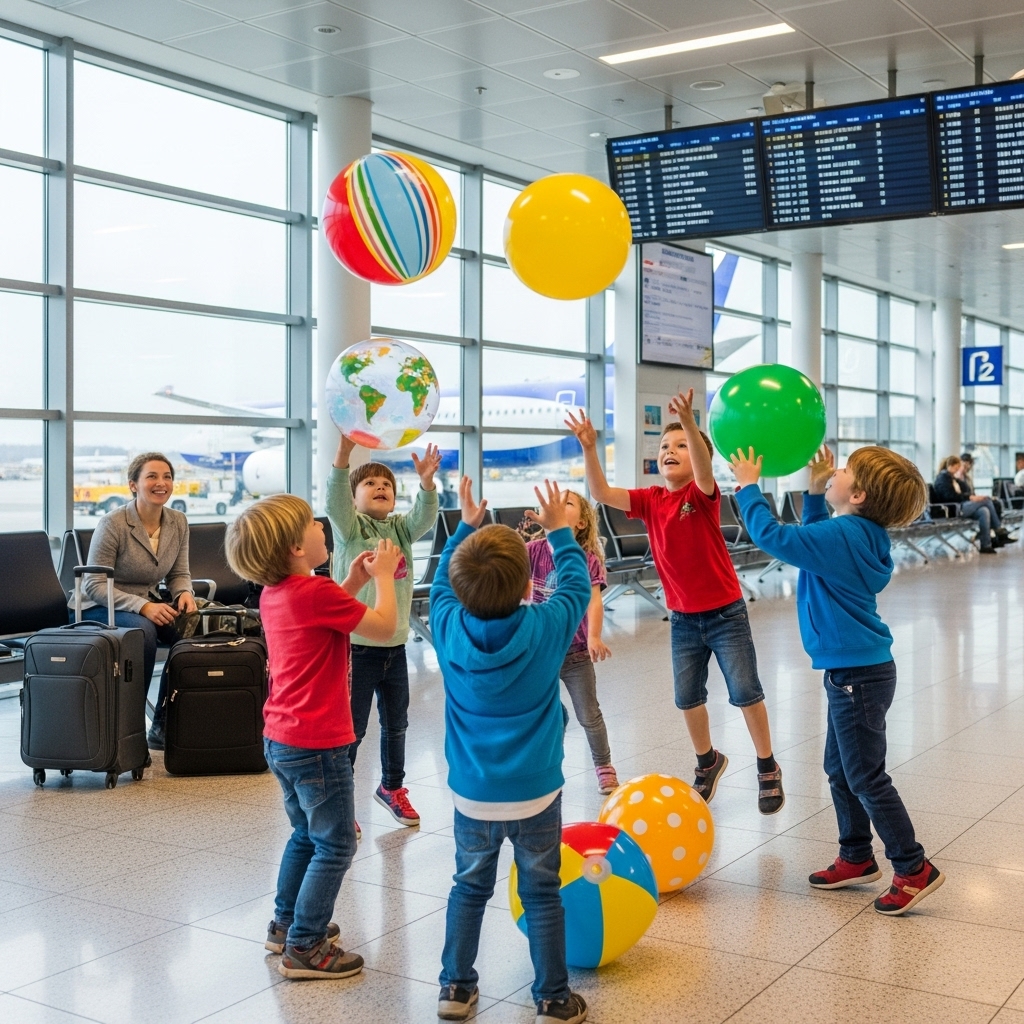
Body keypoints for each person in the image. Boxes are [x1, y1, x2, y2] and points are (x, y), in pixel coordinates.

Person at [731, 443, 945, 915]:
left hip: (857, 678)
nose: (835, 470)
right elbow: (814, 546)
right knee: (841, 769)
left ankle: (913, 868)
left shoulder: (844, 534)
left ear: (860, 495)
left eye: (844, 470)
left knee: (866, 775)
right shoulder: (857, 533)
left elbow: (777, 539)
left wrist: (747, 487)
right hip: (857, 671)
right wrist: (812, 493)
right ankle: (855, 856)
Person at [566, 392, 784, 815]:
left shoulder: (702, 495)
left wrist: (687, 422)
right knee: (687, 697)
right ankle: (708, 761)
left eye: (681, 445)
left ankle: (767, 765)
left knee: (746, 691)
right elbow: (600, 491)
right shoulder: (651, 500)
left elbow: (704, 471)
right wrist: (590, 447)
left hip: (725, 614)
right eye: (665, 447)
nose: (671, 451)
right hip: (683, 619)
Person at [431, 478, 591, 1024]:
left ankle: (455, 987)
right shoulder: (547, 628)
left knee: (468, 888)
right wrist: (562, 532)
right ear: (528, 584)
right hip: (537, 793)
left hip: (472, 795)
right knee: (543, 892)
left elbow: (439, 584)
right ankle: (552, 998)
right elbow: (575, 586)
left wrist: (464, 529)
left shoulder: (447, 628)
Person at [225, 494, 402, 979]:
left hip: (282, 737)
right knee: (338, 843)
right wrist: (385, 577)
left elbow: (325, 614)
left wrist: (357, 581)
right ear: (294, 550)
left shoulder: (278, 591)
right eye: (311, 525)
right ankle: (305, 945)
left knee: (306, 833)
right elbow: (384, 627)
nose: (322, 527)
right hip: (318, 743)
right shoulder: (314, 594)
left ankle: (285, 924)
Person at [326, 436, 441, 835]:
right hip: (358, 648)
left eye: (387, 486)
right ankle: (341, 802)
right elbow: (334, 503)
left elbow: (424, 518)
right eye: (370, 484)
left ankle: (392, 787)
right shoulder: (349, 529)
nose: (380, 489)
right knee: (352, 729)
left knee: (398, 723)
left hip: (395, 648)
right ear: (354, 498)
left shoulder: (401, 531)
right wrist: (343, 457)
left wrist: (426, 484)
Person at [77, 452, 196, 750]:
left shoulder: (178, 522)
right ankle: (130, 730)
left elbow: (179, 573)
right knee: (142, 634)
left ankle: (165, 722)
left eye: (167, 476)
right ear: (133, 485)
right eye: (152, 477)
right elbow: (93, 584)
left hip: (150, 602)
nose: (161, 483)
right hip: (101, 605)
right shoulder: (113, 523)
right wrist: (142, 606)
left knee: (193, 629)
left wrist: (184, 593)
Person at [526, 490, 618, 794]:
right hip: (540, 653)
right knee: (541, 714)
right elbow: (519, 592)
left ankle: (603, 765)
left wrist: (593, 636)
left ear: (580, 523)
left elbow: (594, 602)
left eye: (567, 503)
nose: (557, 505)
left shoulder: (587, 559)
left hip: (576, 653)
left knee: (589, 714)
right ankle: (541, 767)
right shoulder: (531, 551)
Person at [933, 455, 1009, 552]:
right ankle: (998, 528)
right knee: (986, 500)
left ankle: (986, 545)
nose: (958, 470)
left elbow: (966, 490)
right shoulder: (942, 478)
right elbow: (950, 497)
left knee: (984, 511)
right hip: (954, 509)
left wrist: (960, 480)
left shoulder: (952, 478)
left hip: (961, 506)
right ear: (951, 466)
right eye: (957, 468)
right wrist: (970, 497)